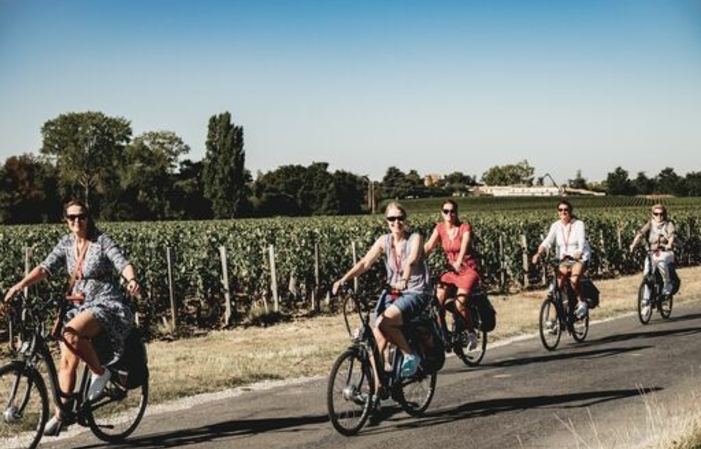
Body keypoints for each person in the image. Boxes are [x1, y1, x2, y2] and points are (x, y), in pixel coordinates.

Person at [2, 200, 140, 436]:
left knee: (70, 333)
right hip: (79, 305)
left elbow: (122, 262)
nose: (77, 221)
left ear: (88, 217)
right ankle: (62, 415)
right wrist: (19, 285)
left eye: (82, 216)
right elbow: (45, 268)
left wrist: (131, 279)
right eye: (72, 217)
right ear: (65, 220)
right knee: (66, 360)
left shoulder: (101, 241)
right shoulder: (66, 244)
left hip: (106, 304)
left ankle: (100, 372)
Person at [332, 202, 431, 392]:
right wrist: (344, 279)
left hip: (415, 291)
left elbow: (410, 261)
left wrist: (404, 279)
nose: (396, 222)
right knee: (376, 337)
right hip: (393, 292)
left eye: (400, 218)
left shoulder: (415, 238)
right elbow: (365, 262)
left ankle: (410, 355)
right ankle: (377, 391)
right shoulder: (384, 241)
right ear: (386, 221)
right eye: (391, 219)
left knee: (385, 324)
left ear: (405, 219)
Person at [424, 199, 480, 350]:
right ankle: (444, 335)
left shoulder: (464, 227)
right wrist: (413, 259)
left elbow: (464, 246)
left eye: (452, 211)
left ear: (457, 212)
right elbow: (429, 246)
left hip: (467, 269)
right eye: (446, 211)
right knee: (437, 301)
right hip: (450, 270)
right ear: (442, 213)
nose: (450, 214)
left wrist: (459, 260)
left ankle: (471, 333)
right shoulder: (440, 228)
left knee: (459, 304)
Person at [531, 199, 591, 320]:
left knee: (574, 280)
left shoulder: (578, 224)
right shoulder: (556, 226)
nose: (563, 212)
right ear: (558, 212)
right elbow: (547, 241)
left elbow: (581, 240)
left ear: (570, 211)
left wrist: (579, 251)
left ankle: (582, 302)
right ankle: (556, 318)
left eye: (566, 210)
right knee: (557, 287)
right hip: (564, 259)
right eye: (560, 210)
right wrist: (538, 253)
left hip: (579, 257)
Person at [629, 203, 677, 297]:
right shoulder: (650, 224)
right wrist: (633, 245)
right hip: (652, 252)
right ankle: (646, 301)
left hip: (665, 252)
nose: (658, 216)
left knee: (661, 262)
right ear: (652, 214)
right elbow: (640, 234)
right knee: (647, 274)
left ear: (665, 214)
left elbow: (672, 236)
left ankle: (667, 285)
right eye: (656, 214)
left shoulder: (668, 224)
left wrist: (669, 244)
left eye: (661, 214)